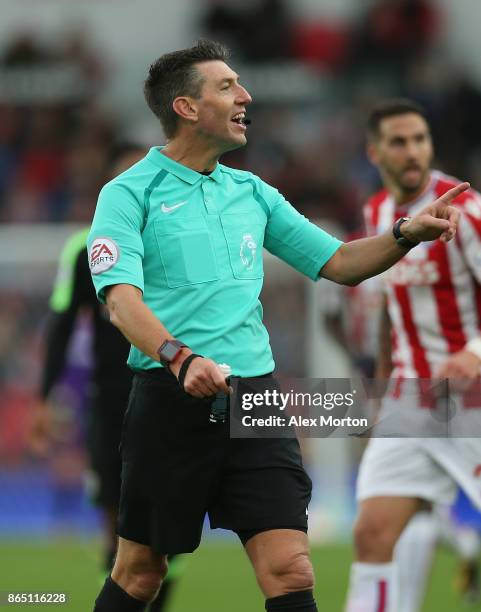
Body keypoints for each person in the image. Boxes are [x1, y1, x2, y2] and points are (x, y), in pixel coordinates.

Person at [87, 42, 465, 612]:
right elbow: (120, 301)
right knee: (141, 572)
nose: (246, 96)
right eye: (227, 87)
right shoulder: (128, 194)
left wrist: (406, 232)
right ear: (187, 108)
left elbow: (339, 262)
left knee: (290, 569)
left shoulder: (252, 192)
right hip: (169, 399)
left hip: (257, 402)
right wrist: (179, 357)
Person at [344, 98, 481, 612]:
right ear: (374, 151)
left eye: (420, 139)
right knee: (373, 534)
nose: (412, 151)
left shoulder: (464, 209)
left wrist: (473, 352)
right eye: (399, 142)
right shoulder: (377, 212)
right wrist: (382, 386)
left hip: (472, 399)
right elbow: (389, 310)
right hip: (410, 398)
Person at [32, 145, 182, 611]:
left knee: (170, 517)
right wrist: (43, 398)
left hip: (172, 395)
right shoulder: (86, 249)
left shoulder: (180, 242)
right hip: (112, 400)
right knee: (116, 518)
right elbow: (61, 324)